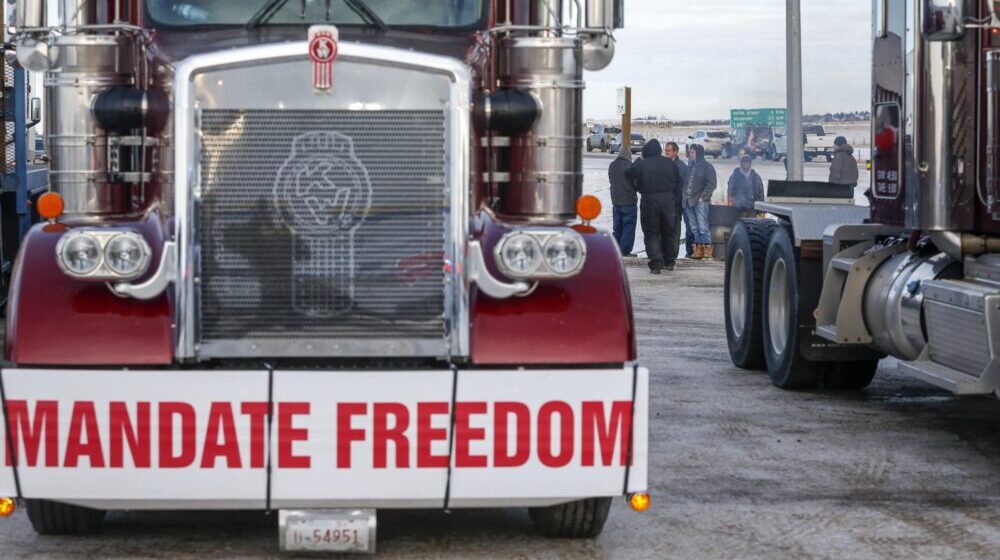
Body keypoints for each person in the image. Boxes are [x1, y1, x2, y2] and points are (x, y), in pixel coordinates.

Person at [625, 139, 683, 274]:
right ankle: (669, 261)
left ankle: (656, 264)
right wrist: (675, 200)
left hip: (649, 200)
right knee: (669, 231)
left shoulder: (642, 164)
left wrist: (638, 161)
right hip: (668, 201)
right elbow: (679, 182)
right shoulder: (670, 163)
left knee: (651, 233)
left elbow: (628, 173)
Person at [684, 144, 717, 260]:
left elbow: (712, 183)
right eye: (690, 152)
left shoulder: (707, 167)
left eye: (692, 152)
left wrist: (703, 197)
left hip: (700, 201)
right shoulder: (689, 167)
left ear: (699, 154)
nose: (690, 155)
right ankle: (698, 251)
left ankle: (707, 251)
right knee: (694, 228)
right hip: (688, 201)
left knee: (703, 227)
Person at [665, 141, 692, 258]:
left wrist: (679, 200)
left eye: (669, 150)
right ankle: (665, 252)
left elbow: (685, 185)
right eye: (665, 150)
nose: (666, 152)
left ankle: (674, 253)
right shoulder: (663, 164)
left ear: (675, 152)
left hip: (676, 203)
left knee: (675, 230)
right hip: (665, 203)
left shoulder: (681, 166)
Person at [608, 147, 637, 257]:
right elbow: (635, 183)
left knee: (617, 226)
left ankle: (615, 249)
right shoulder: (630, 166)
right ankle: (624, 250)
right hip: (628, 201)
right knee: (628, 226)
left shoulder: (612, 165)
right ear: (628, 156)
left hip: (616, 200)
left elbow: (611, 181)